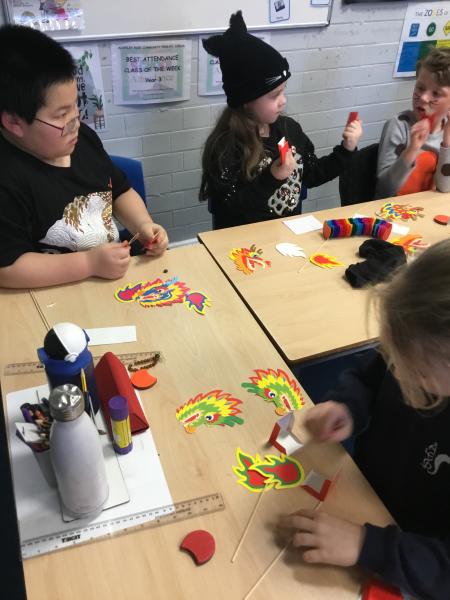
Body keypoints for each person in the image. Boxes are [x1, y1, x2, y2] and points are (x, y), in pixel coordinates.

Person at [280, 239, 450, 600]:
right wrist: (346, 406)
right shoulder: (415, 347)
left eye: (417, 373)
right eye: (394, 356)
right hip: (365, 495)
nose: (398, 372)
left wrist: (367, 545)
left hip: (408, 559)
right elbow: (370, 377)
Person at [0, 25, 168, 289]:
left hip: (109, 281)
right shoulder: (7, 178)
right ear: (13, 122)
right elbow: (8, 268)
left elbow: (120, 191)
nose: (75, 123)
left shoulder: (82, 140)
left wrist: (143, 225)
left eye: (75, 106)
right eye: (61, 115)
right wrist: (88, 264)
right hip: (50, 294)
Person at [199, 11, 363, 230]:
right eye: (274, 95)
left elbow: (312, 174)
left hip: (287, 235)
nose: (283, 101)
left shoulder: (289, 129)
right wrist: (272, 176)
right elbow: (230, 209)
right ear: (246, 99)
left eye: (283, 91)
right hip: (245, 242)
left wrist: (346, 149)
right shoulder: (225, 147)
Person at [375, 47, 450, 199]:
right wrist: (411, 150)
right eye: (420, 88)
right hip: (391, 209)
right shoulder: (399, 126)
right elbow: (384, 191)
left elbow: (444, 188)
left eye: (436, 93)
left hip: (427, 208)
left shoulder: (447, 130)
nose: (423, 98)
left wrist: (446, 143)